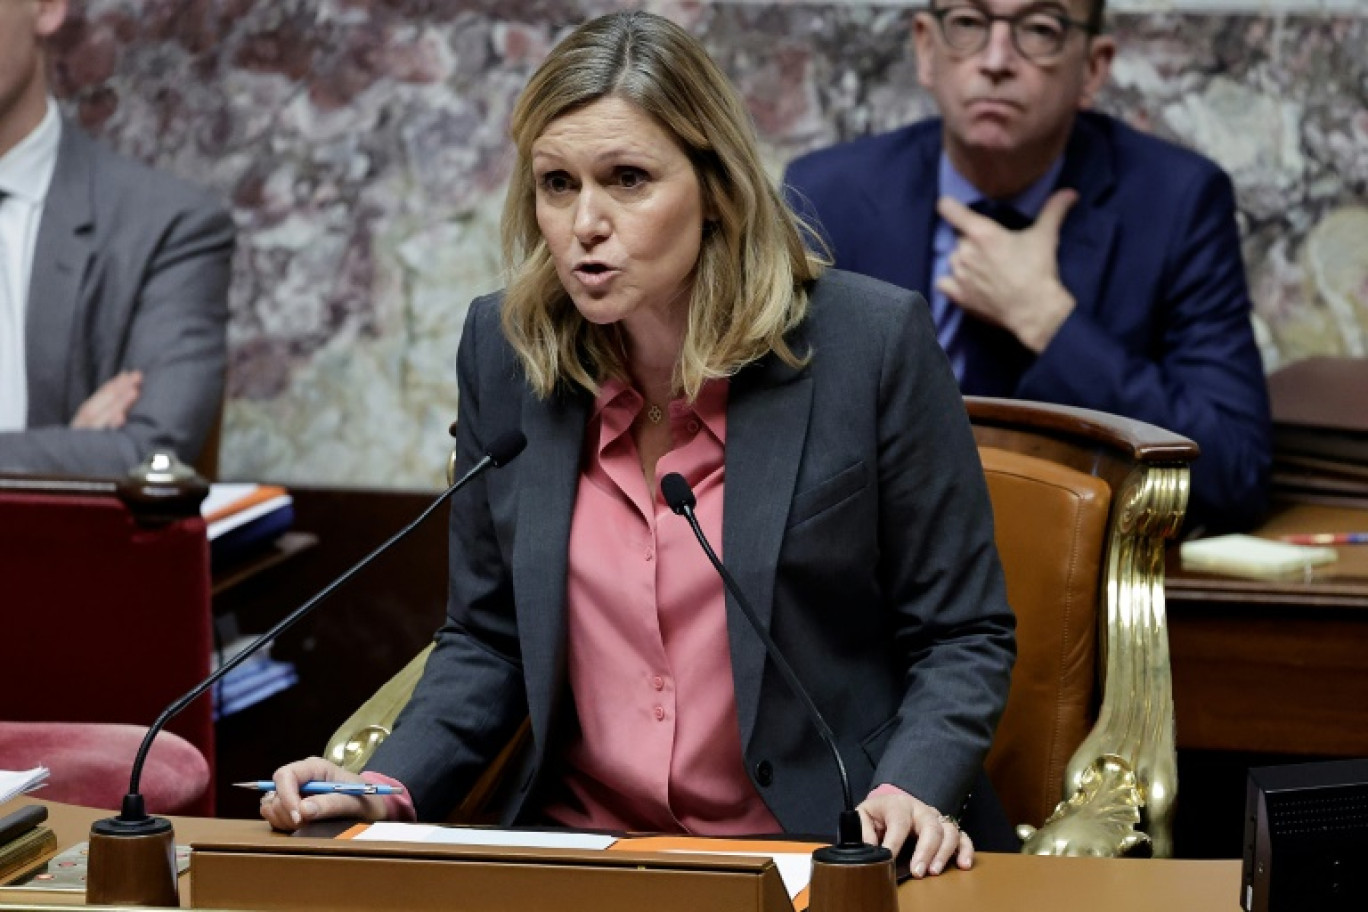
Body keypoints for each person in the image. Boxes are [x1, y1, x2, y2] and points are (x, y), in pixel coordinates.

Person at [261, 11, 1016, 878]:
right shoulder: (503, 356)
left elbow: (963, 636)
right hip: (583, 856)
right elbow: (488, 637)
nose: (586, 222)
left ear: (717, 187)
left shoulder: (868, 347)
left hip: (823, 850)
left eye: (627, 179)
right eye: (556, 184)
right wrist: (386, 786)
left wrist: (909, 789)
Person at [783, 0, 1271, 531]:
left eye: (1040, 29)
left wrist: (1048, 321)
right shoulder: (829, 196)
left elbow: (1234, 473)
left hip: (1080, 573)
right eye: (968, 23)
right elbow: (775, 449)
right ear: (926, 47)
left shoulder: (1175, 203)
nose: (996, 60)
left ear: (1093, 67)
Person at [0, 0, 232, 477]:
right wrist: (70, 454)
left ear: (44, 8)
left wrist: (108, 455)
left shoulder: (169, 227)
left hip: (61, 551)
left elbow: (150, 456)